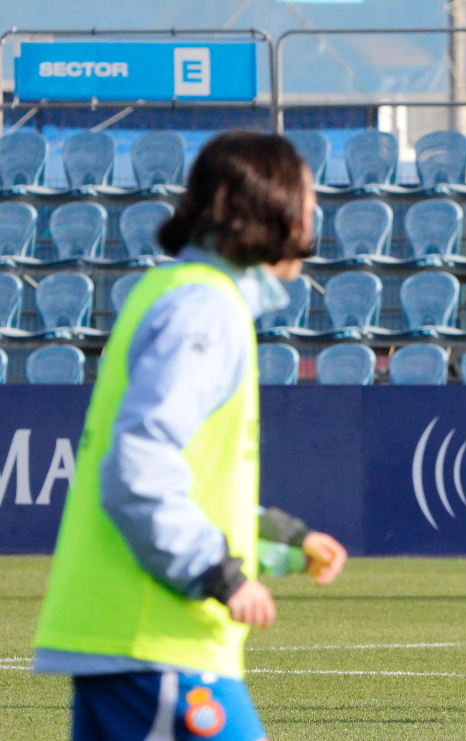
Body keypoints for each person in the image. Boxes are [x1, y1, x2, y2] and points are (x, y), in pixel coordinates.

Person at [32, 131, 349, 741]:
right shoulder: (207, 310)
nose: (314, 219)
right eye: (308, 202)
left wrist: (285, 540)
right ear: (273, 209)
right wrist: (217, 572)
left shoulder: (174, 292)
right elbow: (136, 468)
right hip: (160, 644)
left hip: (131, 641)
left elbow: (190, 482)